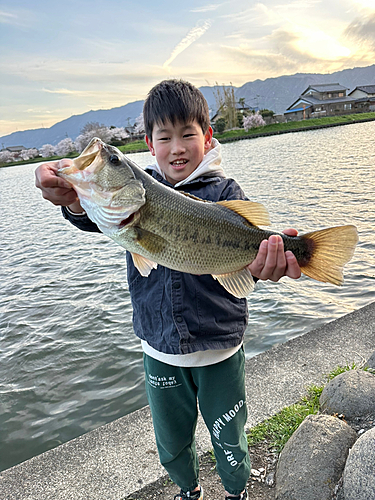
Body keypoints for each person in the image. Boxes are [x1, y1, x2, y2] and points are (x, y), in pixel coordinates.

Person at [35, 79, 301, 500]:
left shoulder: (225, 193)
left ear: (208, 136)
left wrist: (271, 260)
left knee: (230, 435)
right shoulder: (133, 200)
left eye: (188, 135)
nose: (177, 147)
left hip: (220, 347)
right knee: (172, 441)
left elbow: (251, 259)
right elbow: (91, 216)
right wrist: (72, 198)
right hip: (158, 349)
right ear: (149, 143)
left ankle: (236, 491)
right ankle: (188, 490)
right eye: (164, 137)